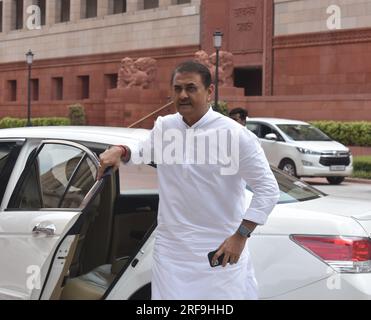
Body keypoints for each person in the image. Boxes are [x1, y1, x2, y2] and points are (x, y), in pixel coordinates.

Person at [97, 61, 279, 300]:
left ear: (209, 92)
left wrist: (241, 235)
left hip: (218, 251)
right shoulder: (166, 126)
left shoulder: (233, 135)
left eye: (191, 88)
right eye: (177, 88)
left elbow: (268, 189)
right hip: (172, 252)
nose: (183, 95)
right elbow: (142, 150)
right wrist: (120, 149)